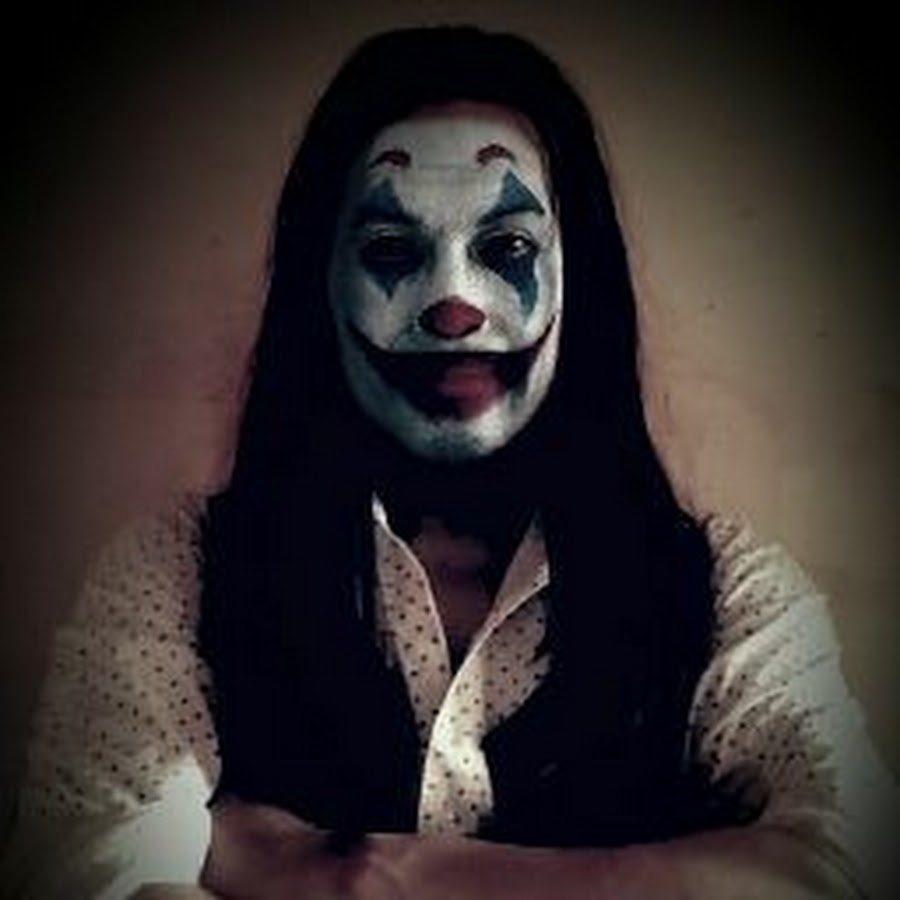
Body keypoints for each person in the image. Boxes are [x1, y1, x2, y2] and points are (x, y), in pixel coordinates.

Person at [3, 25, 895, 900]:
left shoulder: (724, 591)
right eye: (392, 252)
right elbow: (89, 869)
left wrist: (355, 872)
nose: (454, 306)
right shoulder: (178, 573)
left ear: (579, 276)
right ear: (320, 283)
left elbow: (851, 862)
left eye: (507, 249)